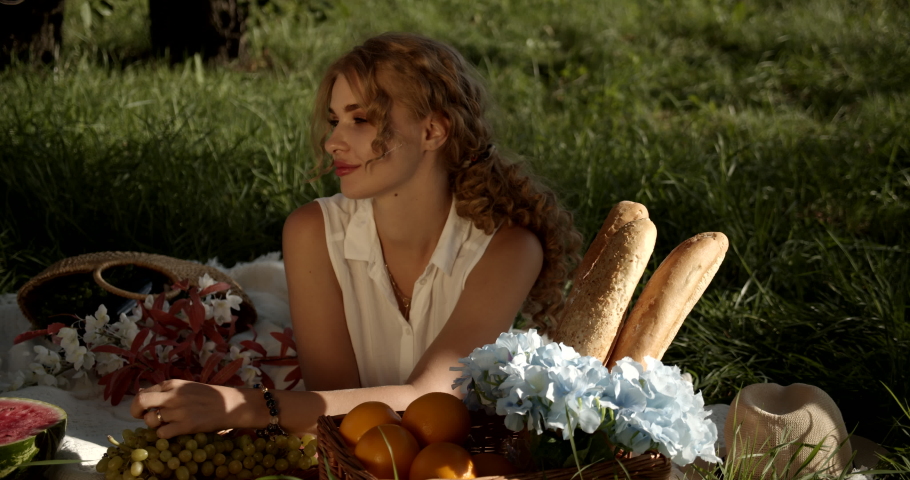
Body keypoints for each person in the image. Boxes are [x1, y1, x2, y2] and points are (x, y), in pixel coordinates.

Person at [131, 32, 581, 438]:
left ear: (433, 130)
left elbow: (432, 399)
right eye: (334, 121)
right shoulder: (312, 231)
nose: (333, 142)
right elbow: (332, 406)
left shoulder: (508, 249)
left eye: (360, 120)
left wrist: (245, 406)